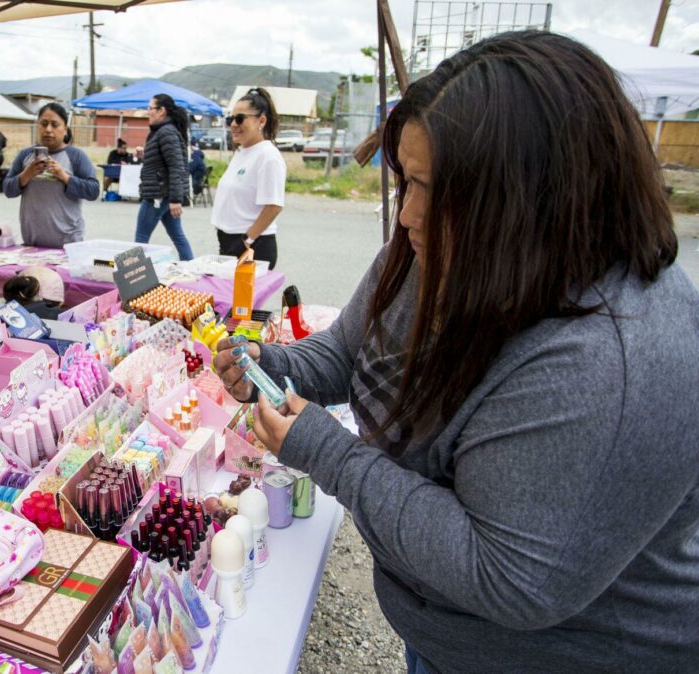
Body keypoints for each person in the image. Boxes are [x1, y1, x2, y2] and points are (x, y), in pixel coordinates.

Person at [214, 31, 698, 672]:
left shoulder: (606, 357)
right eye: (404, 181)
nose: (406, 215)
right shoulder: (441, 247)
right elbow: (348, 352)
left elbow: (506, 575)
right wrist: (272, 369)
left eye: (428, 187)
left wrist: (328, 452)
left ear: (531, 196)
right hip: (446, 631)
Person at [2, 103, 99, 249]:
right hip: (32, 244)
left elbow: (93, 191)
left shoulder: (76, 156)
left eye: (55, 125)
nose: (48, 130)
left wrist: (64, 176)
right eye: (44, 124)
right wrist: (26, 175)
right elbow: (7, 190)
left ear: (65, 129)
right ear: (37, 126)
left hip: (68, 245)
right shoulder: (25, 155)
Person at [210, 87, 285, 269]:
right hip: (230, 241)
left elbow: (274, 205)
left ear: (261, 121)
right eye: (230, 119)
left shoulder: (268, 156)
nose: (233, 124)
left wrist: (247, 240)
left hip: (252, 244)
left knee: (242, 298)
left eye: (240, 118)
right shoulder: (243, 151)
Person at [134, 94, 193, 260]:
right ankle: (191, 269)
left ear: (161, 111)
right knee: (178, 236)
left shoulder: (166, 132)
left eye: (150, 108)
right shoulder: (164, 132)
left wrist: (176, 199)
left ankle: (134, 278)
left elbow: (176, 166)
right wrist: (145, 155)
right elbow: (163, 163)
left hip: (158, 195)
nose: (147, 112)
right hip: (164, 194)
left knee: (141, 239)